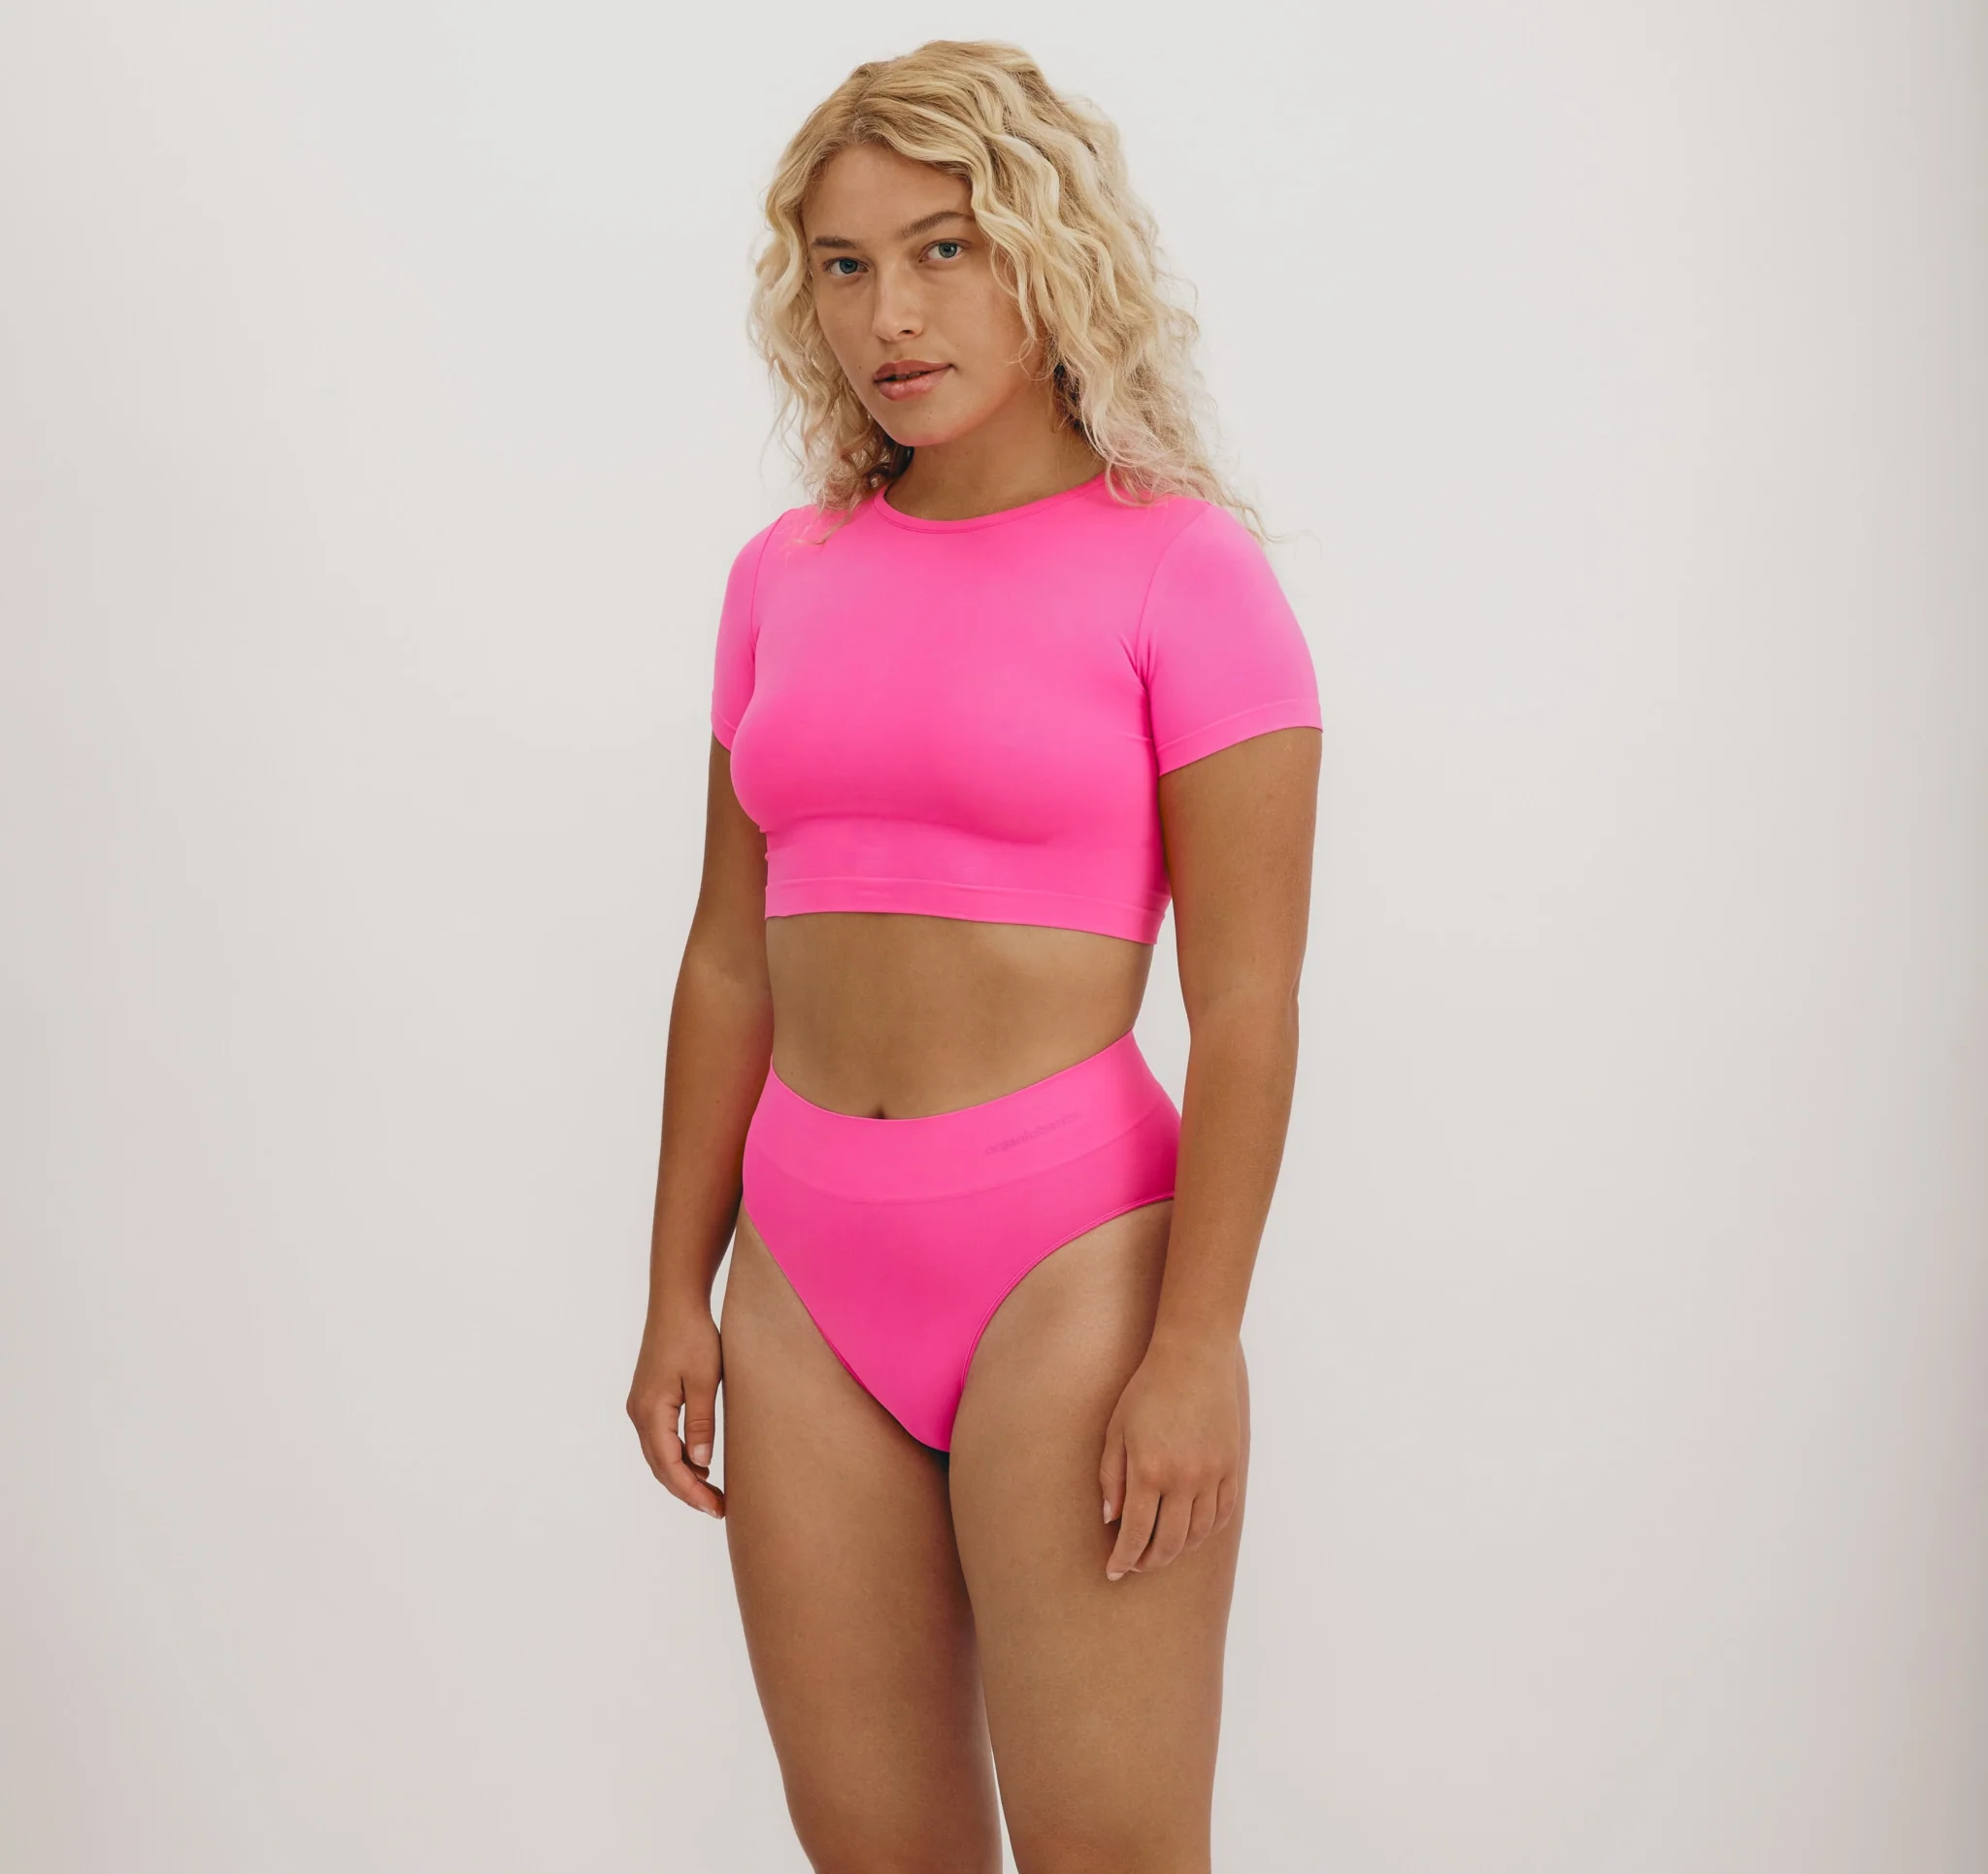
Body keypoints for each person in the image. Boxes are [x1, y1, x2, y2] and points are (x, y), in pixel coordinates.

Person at [628, 39, 1321, 1873]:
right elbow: (726, 958)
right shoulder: (781, 576)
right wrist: (676, 1286)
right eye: (845, 266)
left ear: (1048, 247)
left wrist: (1198, 1343)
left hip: (1073, 1265)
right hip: (799, 1271)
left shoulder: (1185, 571)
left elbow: (1248, 1007)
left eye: (944, 249)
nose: (892, 315)